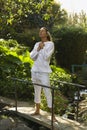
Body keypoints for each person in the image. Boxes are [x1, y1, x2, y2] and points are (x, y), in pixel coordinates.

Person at [30, 27, 56, 121]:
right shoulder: (37, 44)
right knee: (36, 91)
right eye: (39, 31)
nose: (40, 32)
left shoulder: (50, 44)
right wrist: (38, 48)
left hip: (44, 72)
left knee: (47, 92)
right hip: (35, 71)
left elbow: (46, 57)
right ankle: (37, 110)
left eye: (42, 31)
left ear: (47, 33)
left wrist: (42, 47)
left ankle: (53, 116)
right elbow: (32, 57)